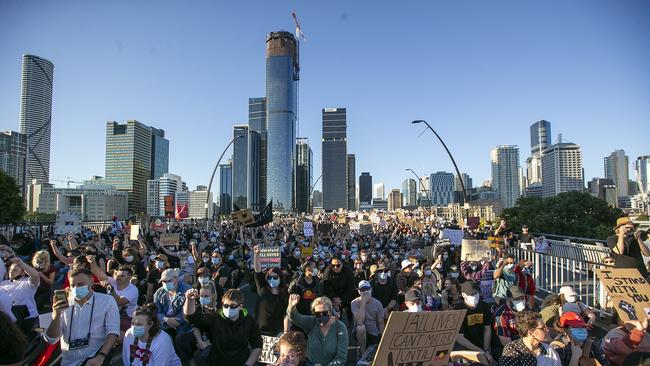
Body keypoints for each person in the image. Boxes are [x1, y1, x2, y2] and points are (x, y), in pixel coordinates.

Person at [44, 268, 120, 366]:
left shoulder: (107, 301)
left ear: (91, 282)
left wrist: (101, 356)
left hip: (94, 358)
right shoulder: (63, 305)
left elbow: (113, 331)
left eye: (80, 284)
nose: (76, 288)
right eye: (73, 285)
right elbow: (51, 339)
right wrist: (56, 315)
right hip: (68, 361)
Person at [184, 288, 262, 366]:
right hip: (217, 362)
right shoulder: (214, 319)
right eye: (226, 305)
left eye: (233, 306)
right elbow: (191, 317)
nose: (228, 309)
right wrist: (189, 300)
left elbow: (257, 345)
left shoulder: (249, 321)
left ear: (240, 306)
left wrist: (248, 364)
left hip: (241, 362)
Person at [287, 294, 348, 366]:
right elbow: (294, 317)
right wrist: (291, 306)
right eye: (318, 314)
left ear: (330, 312)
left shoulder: (340, 327)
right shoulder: (312, 322)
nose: (321, 316)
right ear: (314, 314)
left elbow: (341, 358)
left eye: (325, 313)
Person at [89, 259, 139, 333]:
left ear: (129, 278)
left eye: (122, 276)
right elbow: (101, 275)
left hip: (128, 317)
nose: (118, 278)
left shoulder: (133, 290)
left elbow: (119, 302)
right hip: (113, 313)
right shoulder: (113, 281)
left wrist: (112, 290)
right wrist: (92, 262)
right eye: (118, 275)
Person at [253, 246, 289, 336]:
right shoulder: (262, 289)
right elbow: (257, 271)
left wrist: (285, 332)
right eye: (269, 277)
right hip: (259, 332)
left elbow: (286, 315)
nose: (272, 279)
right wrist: (257, 255)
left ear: (280, 278)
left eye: (275, 277)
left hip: (276, 333)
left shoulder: (284, 294)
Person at [454, 281, 493, 364]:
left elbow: (487, 329)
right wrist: (481, 352)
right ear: (464, 295)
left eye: (476, 293)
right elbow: (459, 338)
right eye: (471, 294)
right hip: (464, 347)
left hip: (482, 345)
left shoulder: (485, 306)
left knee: (489, 361)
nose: (475, 296)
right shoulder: (458, 310)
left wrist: (485, 350)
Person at [0, 256, 41, 334]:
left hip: (28, 321)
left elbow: (35, 275)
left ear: (22, 272)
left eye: (15, 270)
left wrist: (20, 262)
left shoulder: (27, 283)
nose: (11, 272)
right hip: (10, 322)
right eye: (10, 270)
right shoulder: (3, 284)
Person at [351, 280, 385, 355]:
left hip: (374, 332)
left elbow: (380, 322)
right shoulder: (354, 303)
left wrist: (383, 338)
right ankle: (363, 354)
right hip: (360, 332)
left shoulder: (378, 303)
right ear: (359, 291)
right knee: (361, 327)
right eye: (363, 290)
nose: (365, 291)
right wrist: (363, 302)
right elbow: (360, 321)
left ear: (371, 289)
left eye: (367, 289)